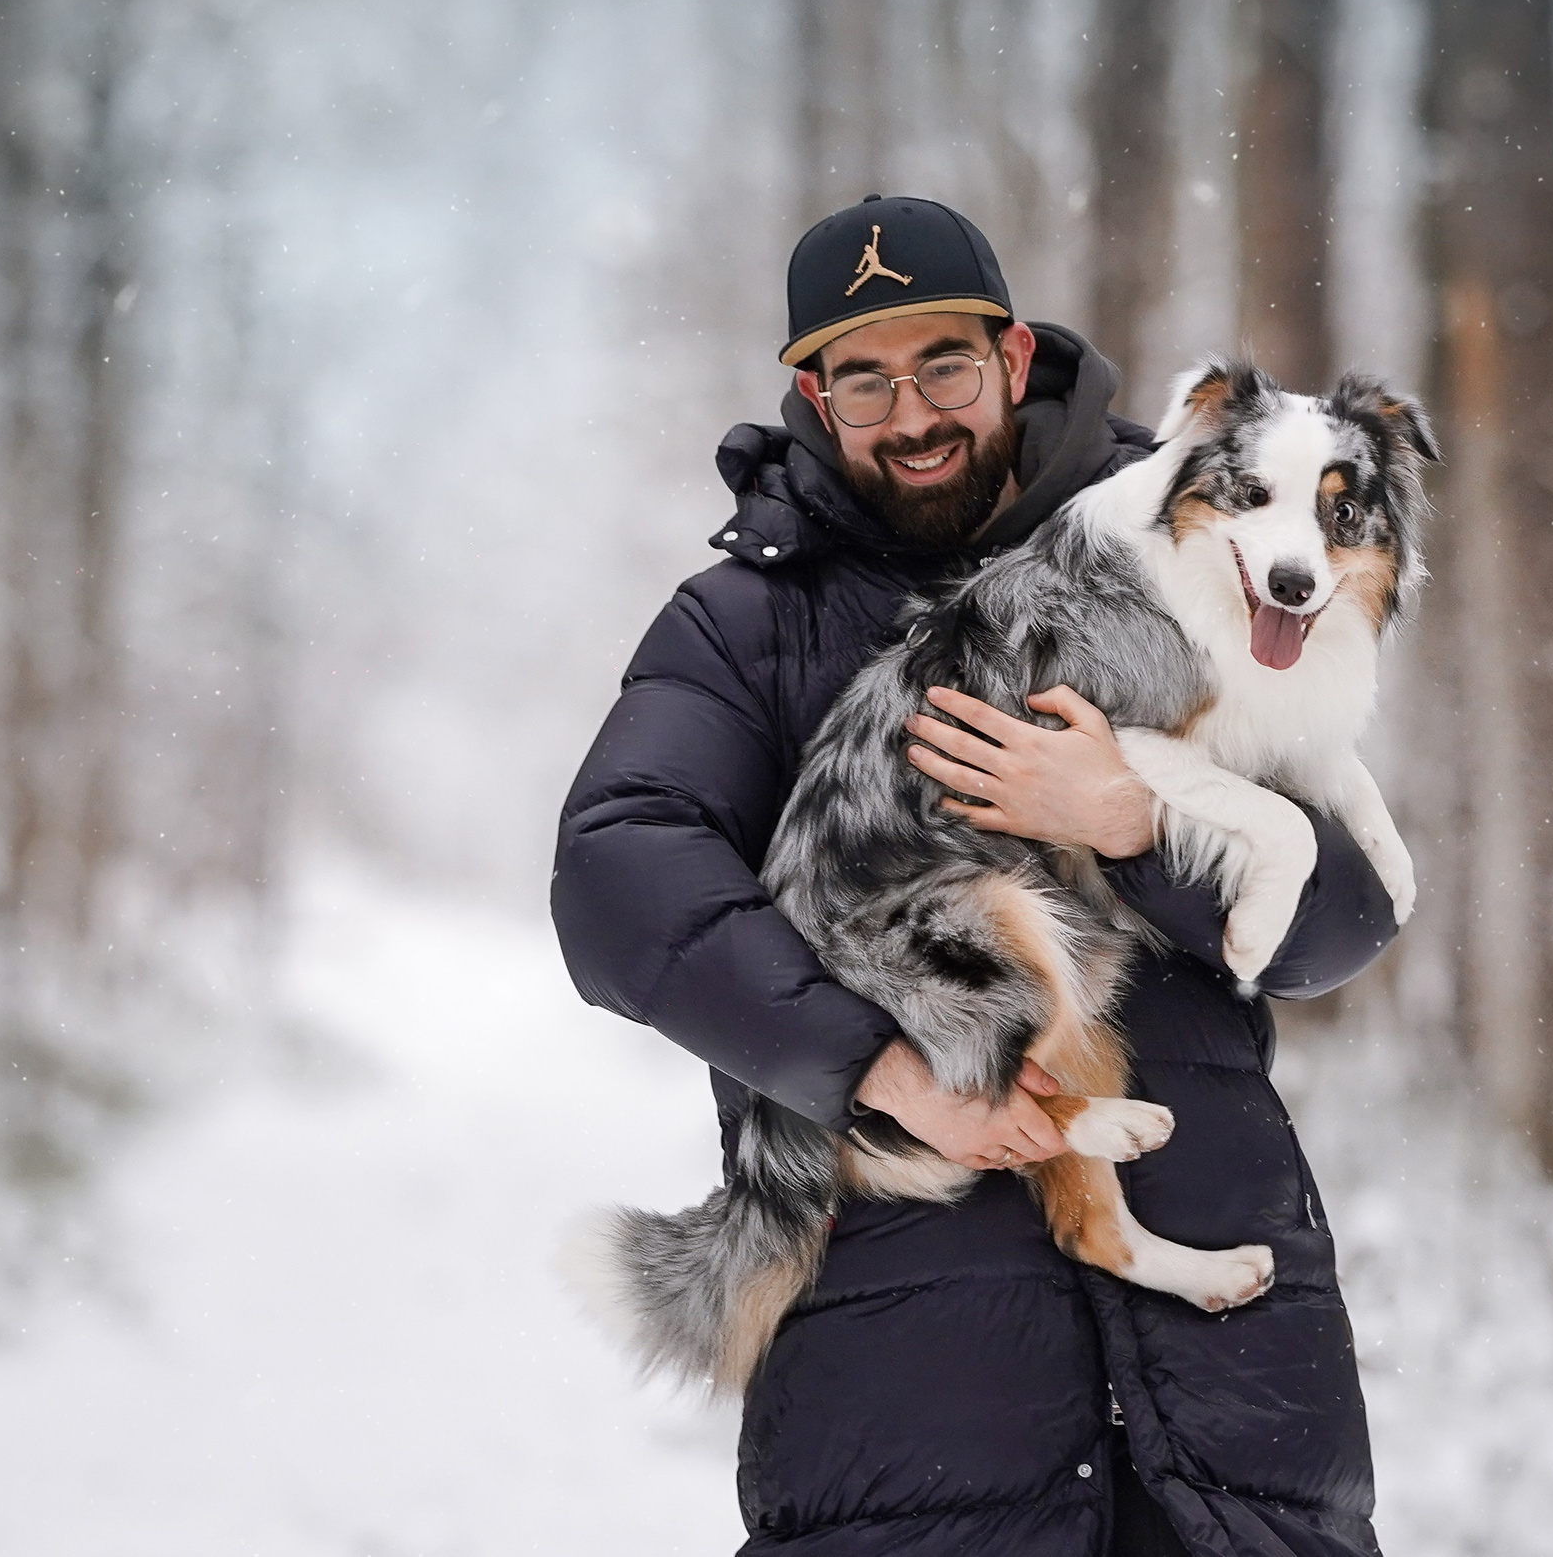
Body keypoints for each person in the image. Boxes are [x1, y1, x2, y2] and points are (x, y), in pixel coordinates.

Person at [552, 195, 1396, 1556]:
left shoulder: (1198, 541)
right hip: (908, 1386)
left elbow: (1340, 922)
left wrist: (1135, 824)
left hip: (1230, 1372)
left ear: (1013, 360)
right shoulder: (748, 624)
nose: (910, 411)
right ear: (814, 400)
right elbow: (614, 883)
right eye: (861, 378)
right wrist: (870, 1070)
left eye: (943, 364)